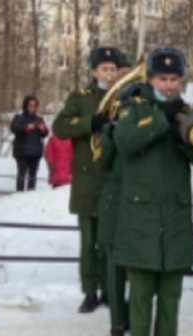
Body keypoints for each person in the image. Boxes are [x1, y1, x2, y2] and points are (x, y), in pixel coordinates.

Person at [113, 47, 193, 336]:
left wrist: (185, 129)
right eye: (162, 79)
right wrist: (162, 119)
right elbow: (124, 142)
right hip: (140, 221)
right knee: (140, 303)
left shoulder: (187, 111)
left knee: (170, 303)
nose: (169, 86)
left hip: (173, 221)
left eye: (174, 80)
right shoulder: (134, 107)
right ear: (150, 79)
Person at [53, 46, 123, 313]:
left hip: (113, 179)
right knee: (88, 241)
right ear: (94, 72)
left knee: (111, 240)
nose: (109, 73)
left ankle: (110, 289)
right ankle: (90, 291)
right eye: (104, 68)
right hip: (87, 179)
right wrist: (88, 124)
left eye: (113, 69)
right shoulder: (80, 97)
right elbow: (60, 127)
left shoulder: (125, 95)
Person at [96, 52, 133, 336]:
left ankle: (133, 313)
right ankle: (117, 320)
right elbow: (101, 162)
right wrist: (108, 132)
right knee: (114, 266)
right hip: (113, 201)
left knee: (138, 265)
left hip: (138, 203)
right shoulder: (110, 127)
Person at [10, 96, 49, 191]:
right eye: (30, 105)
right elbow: (14, 128)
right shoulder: (19, 118)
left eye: (34, 105)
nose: (32, 107)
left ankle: (31, 195)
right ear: (25, 106)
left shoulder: (39, 119)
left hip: (35, 151)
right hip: (22, 151)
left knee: (33, 175)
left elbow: (45, 133)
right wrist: (25, 128)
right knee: (21, 174)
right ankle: (19, 194)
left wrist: (42, 129)